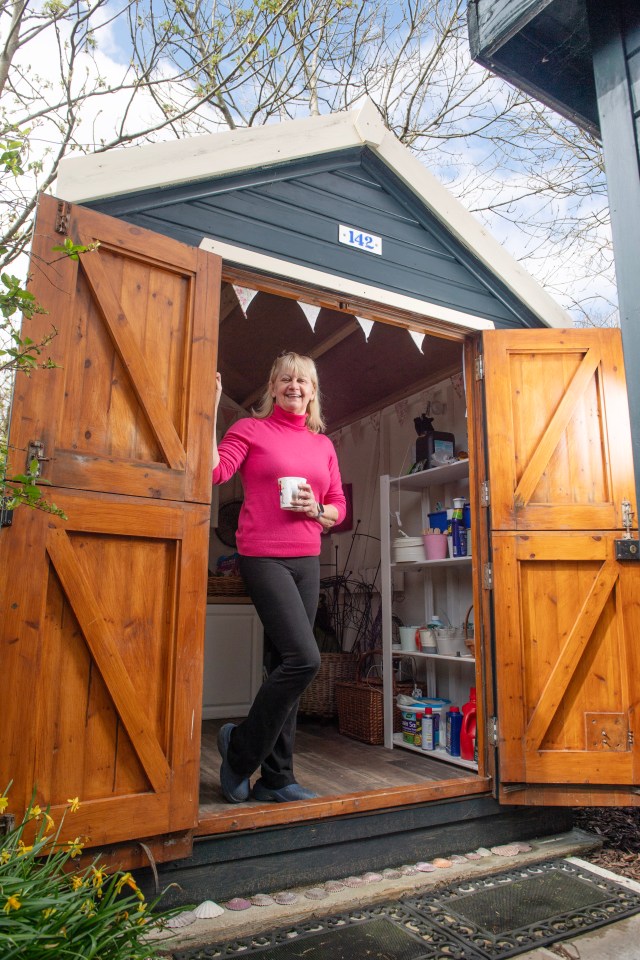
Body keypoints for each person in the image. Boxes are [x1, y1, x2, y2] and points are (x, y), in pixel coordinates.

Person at [212, 352, 346, 804]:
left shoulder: (321, 445)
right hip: (262, 557)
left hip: (306, 557)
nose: (295, 386)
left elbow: (337, 506)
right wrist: (208, 409)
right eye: (286, 379)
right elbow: (215, 472)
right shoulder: (249, 430)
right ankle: (239, 749)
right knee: (304, 659)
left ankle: (277, 775)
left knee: (282, 663)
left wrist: (319, 511)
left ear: (313, 393)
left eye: (303, 381)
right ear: (272, 387)